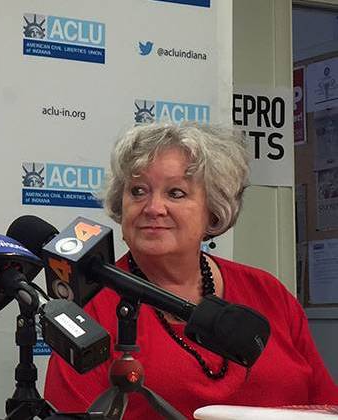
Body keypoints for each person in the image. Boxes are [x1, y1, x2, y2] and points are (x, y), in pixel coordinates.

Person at [44, 122, 338, 419]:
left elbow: (326, 406)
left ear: (213, 208)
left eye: (176, 193)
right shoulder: (93, 306)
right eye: (138, 191)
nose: (153, 207)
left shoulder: (268, 292)